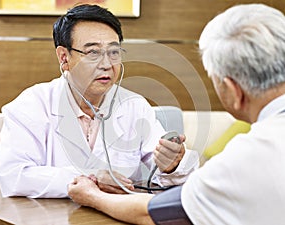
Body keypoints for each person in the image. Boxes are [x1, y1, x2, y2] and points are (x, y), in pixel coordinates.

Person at [68, 3, 285, 225]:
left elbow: (154, 212)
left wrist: (93, 196)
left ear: (233, 90)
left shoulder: (245, 159)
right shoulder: (36, 101)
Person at [0, 4, 199, 198]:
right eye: (93, 52)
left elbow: (165, 173)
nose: (107, 64)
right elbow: (14, 175)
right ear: (64, 57)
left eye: (114, 52)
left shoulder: (134, 106)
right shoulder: (33, 104)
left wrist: (172, 164)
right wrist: (90, 178)